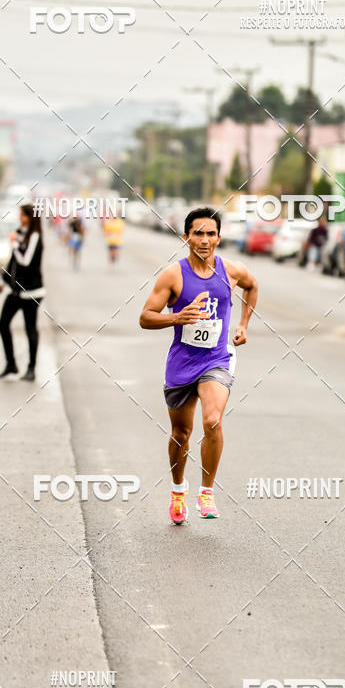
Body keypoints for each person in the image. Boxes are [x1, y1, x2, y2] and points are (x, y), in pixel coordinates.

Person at [139, 207, 258, 525]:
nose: (204, 240)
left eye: (210, 234)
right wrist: (177, 316)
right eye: (198, 233)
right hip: (181, 362)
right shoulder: (173, 275)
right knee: (181, 431)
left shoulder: (231, 270)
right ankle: (178, 491)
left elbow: (252, 286)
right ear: (186, 236)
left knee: (212, 421)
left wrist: (243, 324)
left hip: (217, 359)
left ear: (219, 237)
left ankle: (207, 492)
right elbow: (145, 317)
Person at [0, 204, 44, 381]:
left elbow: (25, 260)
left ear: (30, 217)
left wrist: (15, 243)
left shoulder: (35, 236)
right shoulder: (22, 234)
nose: (20, 218)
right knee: (2, 324)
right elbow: (14, 262)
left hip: (32, 292)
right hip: (16, 292)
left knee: (30, 329)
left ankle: (31, 369)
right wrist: (3, 281)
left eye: (23, 215)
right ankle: (11, 364)